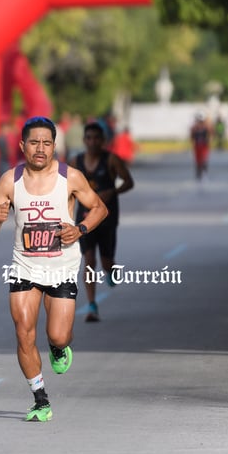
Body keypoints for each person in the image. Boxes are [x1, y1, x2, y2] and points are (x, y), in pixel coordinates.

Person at [0, 116, 108, 422]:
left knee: (58, 335)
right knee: (23, 332)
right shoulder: (8, 181)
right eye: (34, 142)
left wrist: (79, 229)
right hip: (24, 265)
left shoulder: (71, 177)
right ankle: (40, 399)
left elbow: (99, 208)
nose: (40, 149)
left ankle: (58, 347)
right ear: (22, 145)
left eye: (47, 143)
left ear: (54, 146)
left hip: (61, 267)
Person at [72, 122, 135, 322]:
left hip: (107, 217)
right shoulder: (76, 162)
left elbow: (129, 181)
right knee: (89, 260)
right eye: (89, 138)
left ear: (103, 141)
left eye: (96, 138)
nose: (92, 142)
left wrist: (113, 191)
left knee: (106, 261)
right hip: (84, 217)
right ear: (84, 140)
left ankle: (111, 270)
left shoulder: (111, 160)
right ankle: (92, 305)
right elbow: (65, 187)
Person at [190, 113, 211, 181]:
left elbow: (211, 132)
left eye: (200, 121)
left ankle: (204, 173)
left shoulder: (206, 127)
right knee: (198, 160)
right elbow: (192, 136)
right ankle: (198, 173)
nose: (199, 123)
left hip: (204, 145)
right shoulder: (194, 128)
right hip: (197, 146)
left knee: (204, 159)